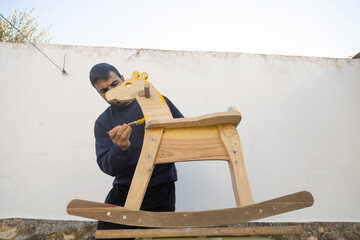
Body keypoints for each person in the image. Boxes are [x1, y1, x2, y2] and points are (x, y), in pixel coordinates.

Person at [89, 63, 184, 238]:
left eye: (114, 84)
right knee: (106, 235)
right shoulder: (103, 122)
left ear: (124, 80)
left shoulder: (158, 101)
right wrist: (121, 149)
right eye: (103, 90)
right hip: (123, 192)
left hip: (160, 190)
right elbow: (108, 167)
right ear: (98, 93)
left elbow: (183, 135)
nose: (110, 92)